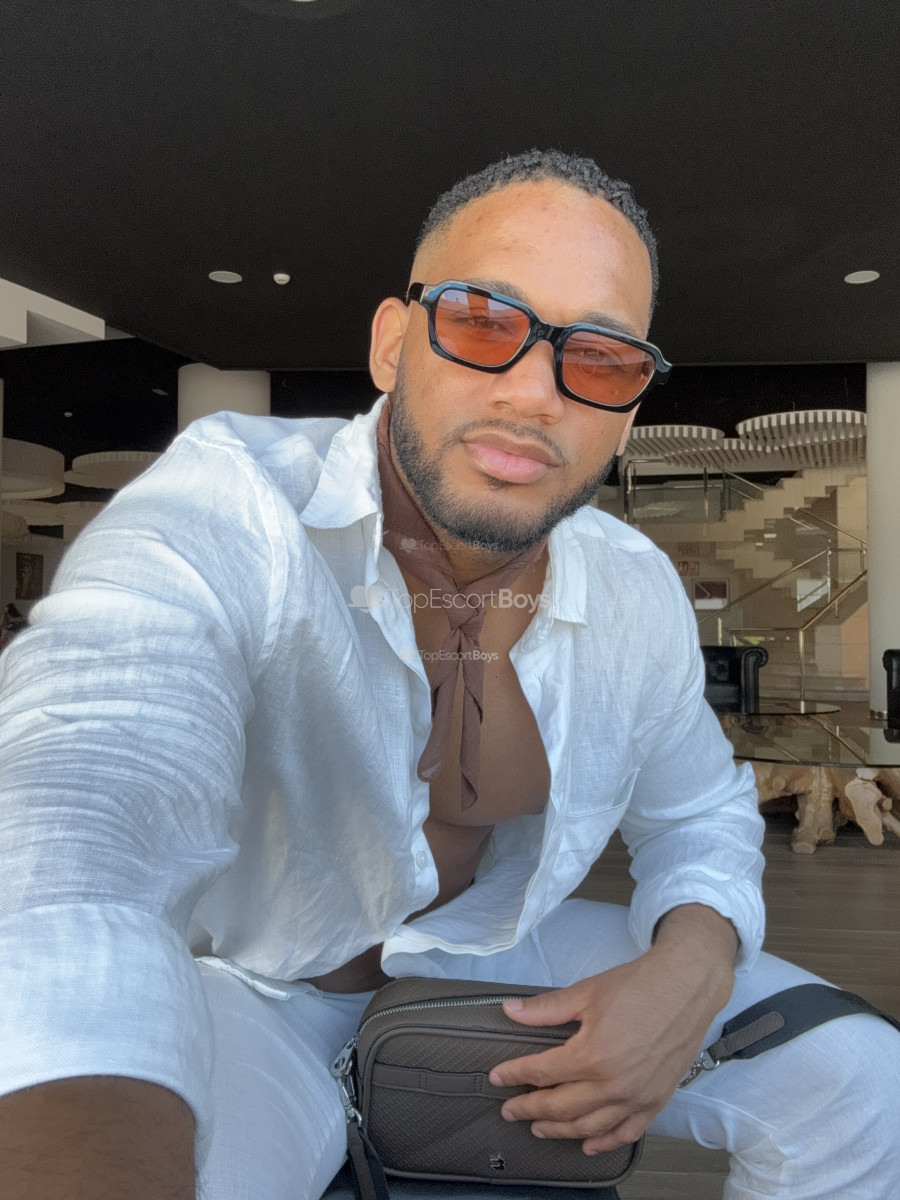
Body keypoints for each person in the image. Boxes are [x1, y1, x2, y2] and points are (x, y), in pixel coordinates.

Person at [0, 149, 897, 1200]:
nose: (534, 393)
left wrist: (690, 968)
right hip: (256, 990)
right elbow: (80, 811)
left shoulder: (631, 586)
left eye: (600, 358)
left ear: (628, 411)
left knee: (862, 1086)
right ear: (392, 343)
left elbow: (697, 812)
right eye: (481, 321)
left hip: (494, 954)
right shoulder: (232, 508)